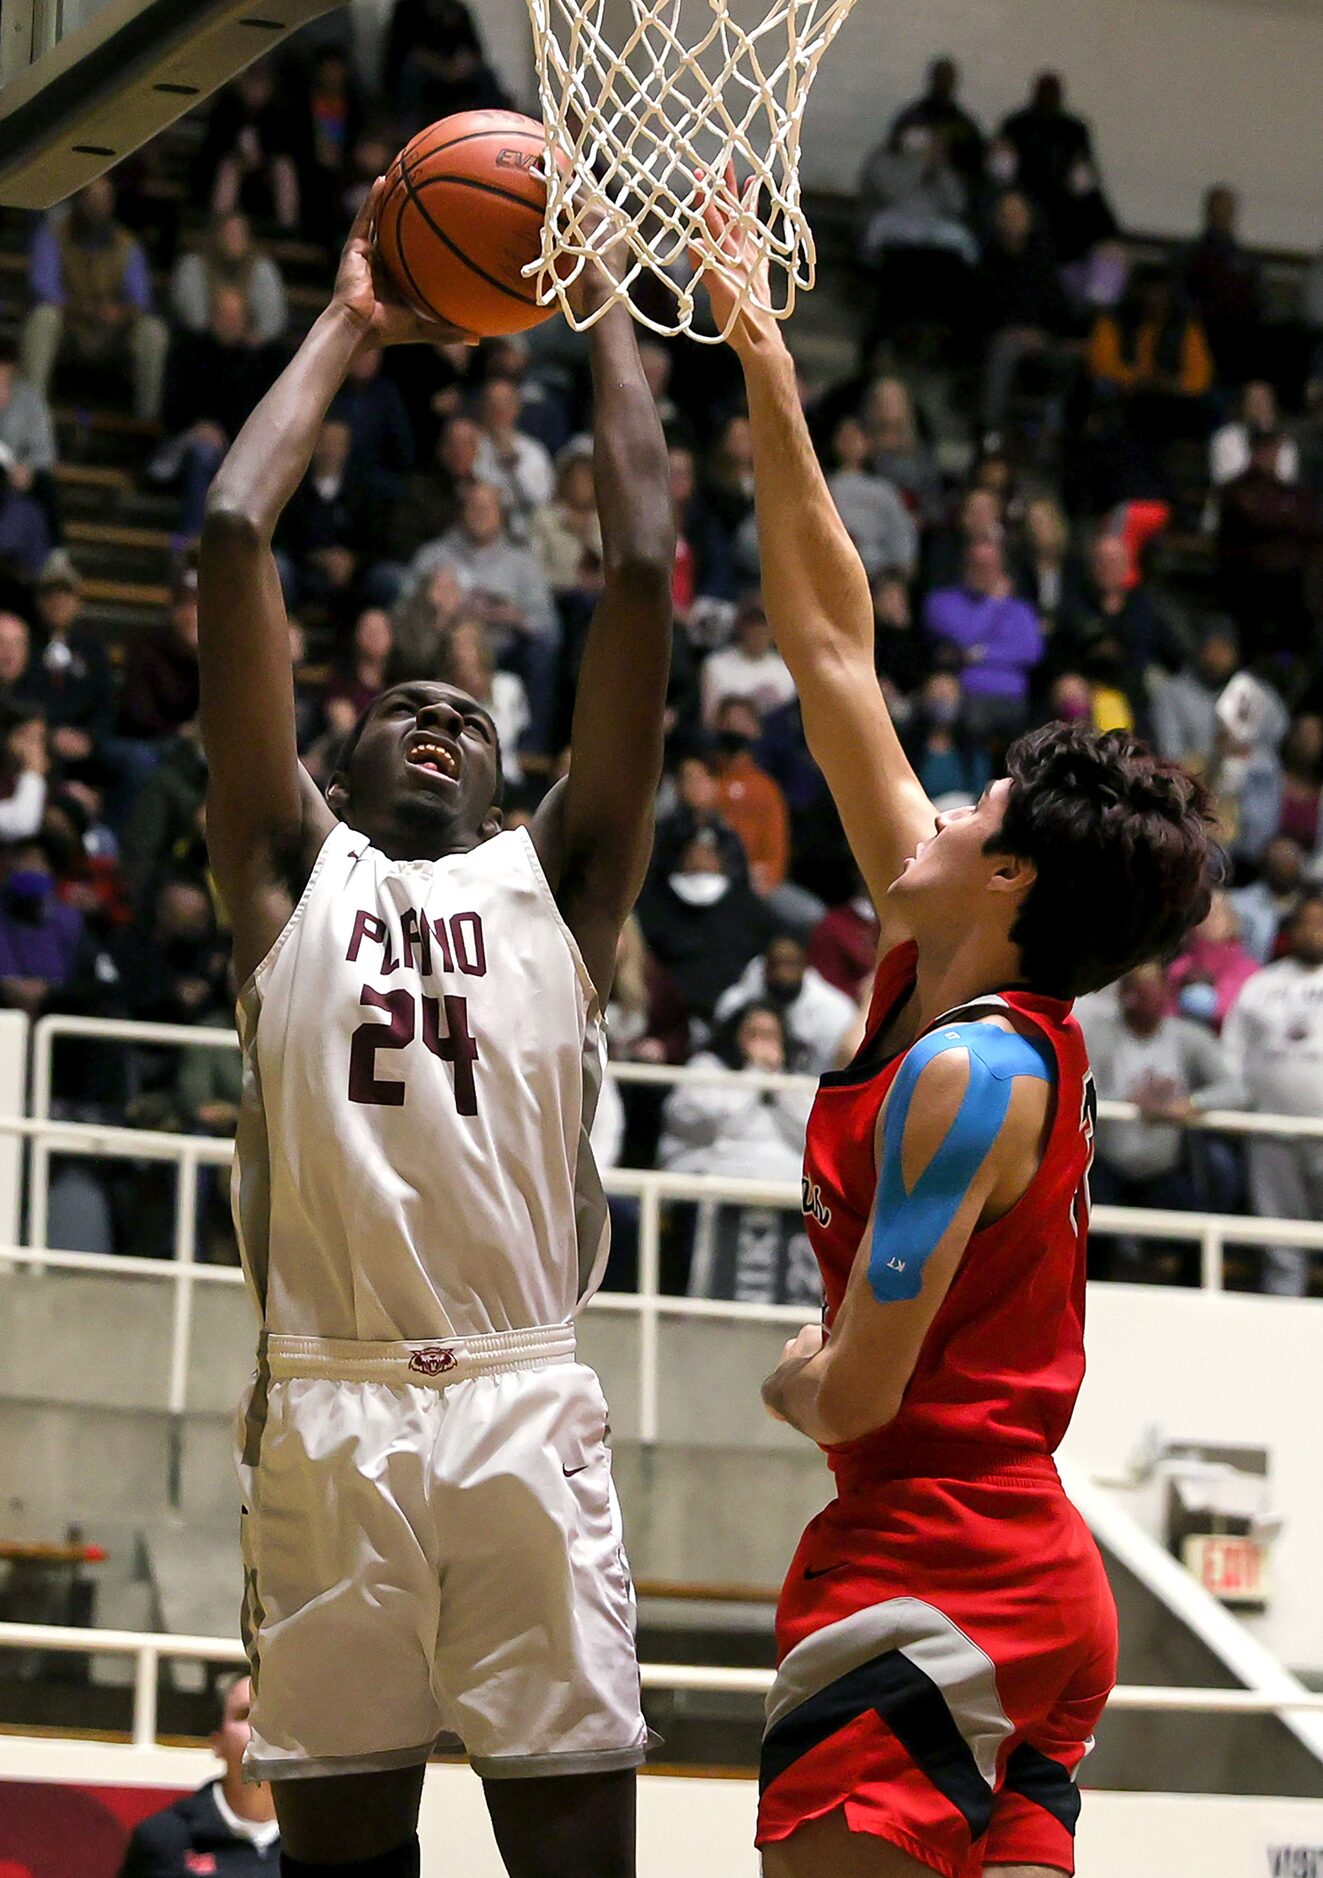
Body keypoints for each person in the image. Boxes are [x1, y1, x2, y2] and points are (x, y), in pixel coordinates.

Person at [702, 173, 1217, 1878]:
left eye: (972, 795)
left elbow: (854, 1391)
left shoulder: (959, 1071)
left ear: (999, 873)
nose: (933, 797)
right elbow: (828, 641)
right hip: (1019, 1582)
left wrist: (787, 1371)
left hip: (933, 1576)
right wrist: (765, 358)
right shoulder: (957, 969)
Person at [198, 184, 672, 1876]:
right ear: (339, 761)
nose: (436, 723)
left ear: (502, 777)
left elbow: (633, 566)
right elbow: (235, 537)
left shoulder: (568, 882)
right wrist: (348, 317)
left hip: (517, 1403)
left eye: (468, 718)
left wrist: (604, 295)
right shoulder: (282, 873)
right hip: (324, 1409)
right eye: (406, 703)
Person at [1077, 961, 1244, 1280]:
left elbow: (1236, 1090)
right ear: (1123, 994)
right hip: (1106, 1165)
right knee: (1086, 1223)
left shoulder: (1188, 1038)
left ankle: (1194, 1300)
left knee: (1195, 1225)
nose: (1145, 997)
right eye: (1137, 988)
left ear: (1167, 993)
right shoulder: (1097, 1034)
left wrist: (1190, 1103)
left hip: (1162, 1170)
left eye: (1153, 988)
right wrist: (1131, 1103)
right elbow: (1077, 1086)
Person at [1223, 896, 1323, 1297]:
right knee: (1279, 1237)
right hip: (1270, 1131)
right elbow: (1233, 1055)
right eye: (1308, 922)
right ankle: (1282, 1310)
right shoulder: (1261, 986)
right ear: (1291, 931)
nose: (1315, 930)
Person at [21, 177, 169, 425]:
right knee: (43, 317)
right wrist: (81, 308)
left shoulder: (126, 244)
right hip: (70, 327)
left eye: (104, 200)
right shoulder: (53, 235)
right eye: (92, 199)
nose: (97, 206)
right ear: (79, 201)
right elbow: (43, 287)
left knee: (153, 332)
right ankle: (33, 413)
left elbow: (142, 300)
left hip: (113, 332)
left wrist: (119, 313)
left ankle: (147, 419)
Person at [117, 1674, 279, 1877]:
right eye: (244, 1714)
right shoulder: (164, 1838)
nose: (260, 1727)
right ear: (217, 1742)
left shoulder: (321, 1840)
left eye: (273, 1714)